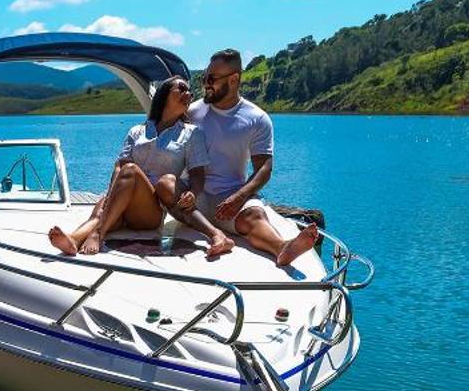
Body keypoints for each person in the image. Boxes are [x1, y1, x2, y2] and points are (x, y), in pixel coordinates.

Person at [48, 77, 233, 260]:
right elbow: (118, 165)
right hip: (122, 201)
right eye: (182, 89)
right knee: (103, 207)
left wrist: (193, 192)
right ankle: (73, 239)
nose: (189, 94)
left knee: (132, 170)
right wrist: (111, 195)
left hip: (149, 211)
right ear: (164, 95)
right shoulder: (137, 131)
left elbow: (197, 174)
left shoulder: (191, 133)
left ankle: (98, 233)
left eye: (190, 92)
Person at [189, 50, 318, 267]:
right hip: (194, 196)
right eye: (204, 78)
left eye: (211, 79)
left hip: (230, 198)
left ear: (234, 79)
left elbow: (264, 168)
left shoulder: (257, 119)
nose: (205, 84)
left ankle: (282, 248)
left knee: (255, 216)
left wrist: (238, 198)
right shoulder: (192, 112)